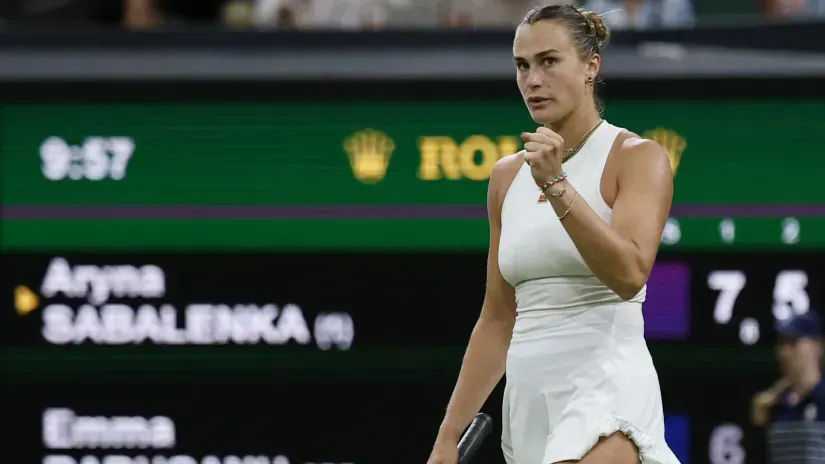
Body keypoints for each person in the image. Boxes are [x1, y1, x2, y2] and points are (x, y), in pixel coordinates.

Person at [425, 4, 680, 464]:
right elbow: (498, 317)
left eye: (548, 61)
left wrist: (557, 186)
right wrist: (448, 436)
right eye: (522, 65)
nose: (532, 79)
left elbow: (629, 273)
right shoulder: (505, 177)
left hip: (608, 386)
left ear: (590, 66)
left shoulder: (637, 157)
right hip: (529, 401)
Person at [751, 311, 825, 462]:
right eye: (781, 343)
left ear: (817, 346)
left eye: (793, 343)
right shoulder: (772, 406)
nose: (784, 352)